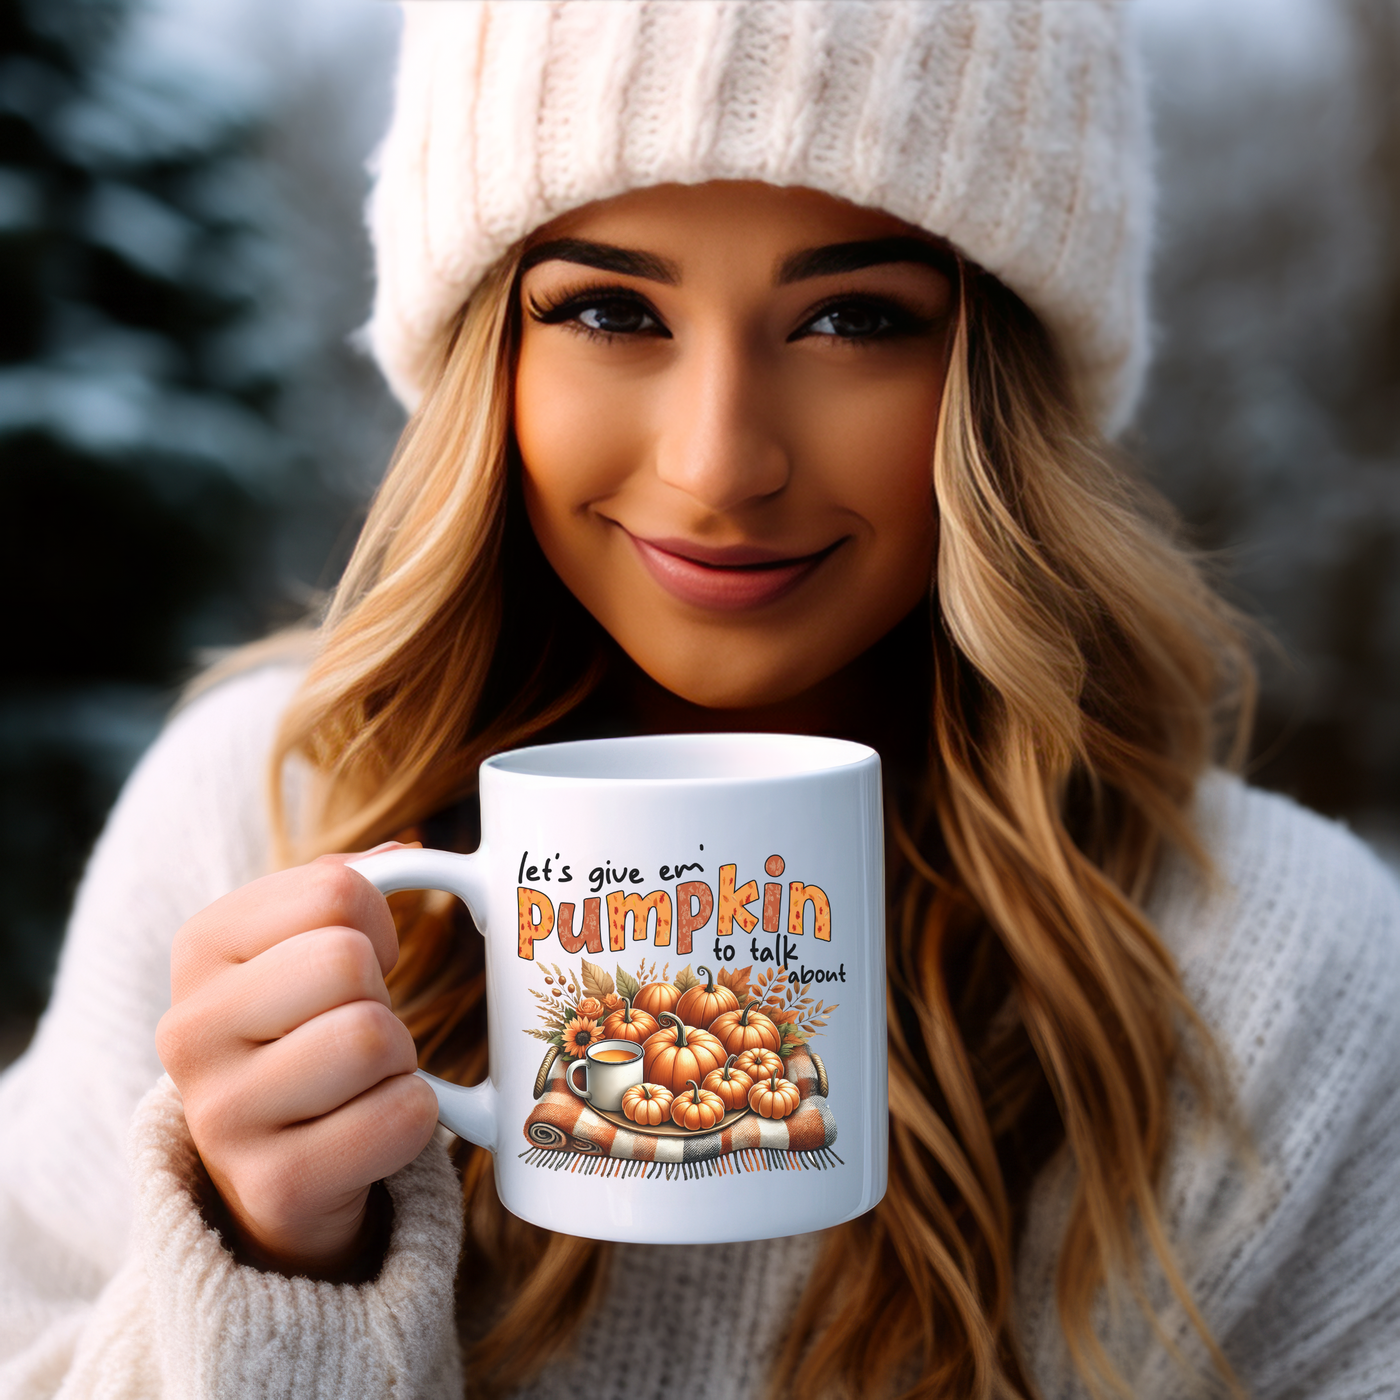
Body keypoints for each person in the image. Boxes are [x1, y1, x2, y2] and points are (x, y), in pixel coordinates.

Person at [2, 3, 1397, 1397]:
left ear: (1003, 385)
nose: (719, 462)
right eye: (612, 310)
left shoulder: (1292, 981)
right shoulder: (260, 815)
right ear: (493, 359)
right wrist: (267, 1271)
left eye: (856, 319)